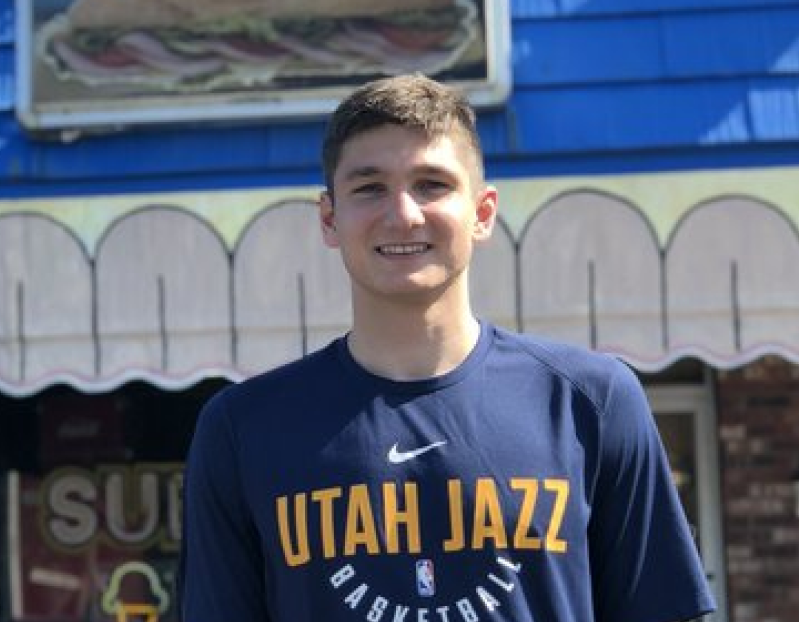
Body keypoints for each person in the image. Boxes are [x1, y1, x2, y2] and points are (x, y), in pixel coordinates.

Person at [179, 74, 716, 622]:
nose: (404, 214)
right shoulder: (244, 428)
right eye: (369, 188)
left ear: (482, 212)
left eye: (431, 184)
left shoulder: (591, 402)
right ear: (328, 218)